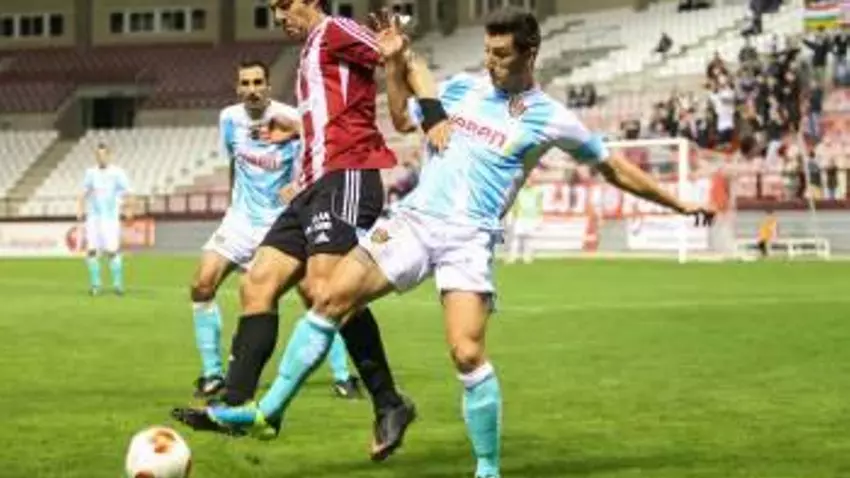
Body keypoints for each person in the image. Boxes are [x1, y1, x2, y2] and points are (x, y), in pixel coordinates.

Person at [175, 7, 715, 478]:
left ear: (530, 53)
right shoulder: (459, 89)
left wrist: (678, 202)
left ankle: (487, 468)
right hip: (413, 221)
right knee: (330, 297)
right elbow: (400, 116)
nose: (491, 63)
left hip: (469, 238)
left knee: (466, 352)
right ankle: (267, 412)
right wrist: (395, 65)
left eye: (502, 55)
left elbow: (612, 167)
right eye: (487, 52)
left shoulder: (552, 118)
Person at [172, 0, 450, 461]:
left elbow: (395, 54)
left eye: (284, 4)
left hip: (347, 175)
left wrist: (431, 108)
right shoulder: (309, 52)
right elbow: (338, 108)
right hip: (311, 184)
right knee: (257, 283)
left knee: (327, 289)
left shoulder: (336, 29)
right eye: (273, 8)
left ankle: (389, 402)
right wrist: (298, 131)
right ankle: (234, 404)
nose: (279, 16)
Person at [189, 60, 361, 401]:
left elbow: (318, 160)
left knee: (317, 295)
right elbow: (235, 163)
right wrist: (232, 206)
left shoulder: (291, 119)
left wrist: (299, 187)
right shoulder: (228, 118)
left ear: (268, 86)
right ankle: (212, 375)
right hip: (240, 220)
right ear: (238, 88)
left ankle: (344, 376)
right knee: (201, 284)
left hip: (282, 221)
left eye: (258, 82)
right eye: (245, 83)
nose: (252, 89)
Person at [76, 143, 134, 296]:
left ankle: (117, 285)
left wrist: (129, 209)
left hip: (110, 218)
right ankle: (96, 285)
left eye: (103, 155)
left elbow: (128, 192)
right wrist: (80, 208)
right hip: (93, 217)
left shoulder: (117, 173)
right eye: (98, 155)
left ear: (109, 155)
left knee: (112, 251)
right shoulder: (90, 173)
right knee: (91, 251)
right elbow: (83, 192)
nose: (100, 158)